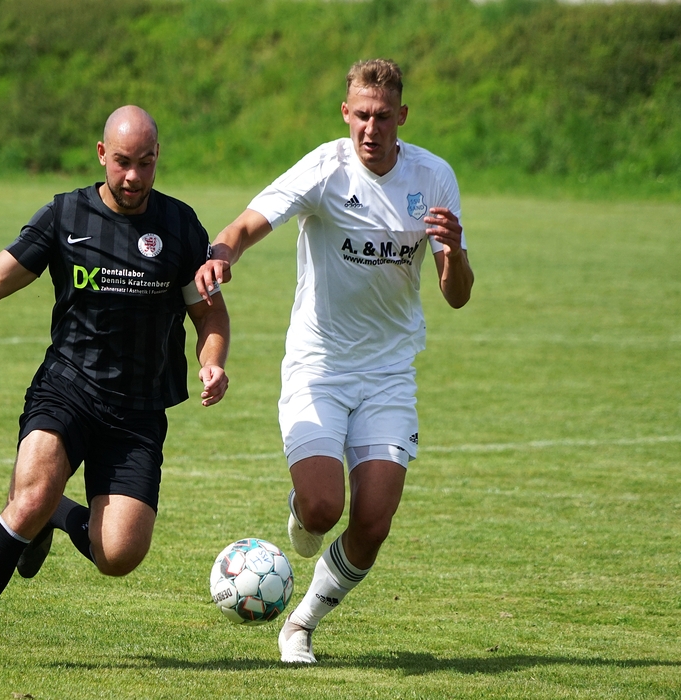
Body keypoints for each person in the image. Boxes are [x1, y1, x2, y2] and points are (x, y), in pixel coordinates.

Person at [0, 105, 230, 669]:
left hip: (138, 410)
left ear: (157, 158)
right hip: (67, 387)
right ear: (101, 154)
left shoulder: (180, 226)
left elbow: (209, 315)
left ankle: (59, 514)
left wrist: (212, 362)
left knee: (117, 555)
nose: (133, 177)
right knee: (27, 500)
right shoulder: (66, 214)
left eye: (145, 163)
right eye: (122, 162)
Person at [195, 59, 473, 664]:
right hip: (318, 365)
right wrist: (221, 254)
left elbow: (457, 294)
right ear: (346, 113)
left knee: (373, 521)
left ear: (402, 116)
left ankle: (300, 624)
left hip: (388, 374)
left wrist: (453, 253)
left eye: (383, 116)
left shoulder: (434, 178)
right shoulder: (325, 168)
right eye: (361, 115)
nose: (372, 128)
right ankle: (303, 508)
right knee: (323, 508)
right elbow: (248, 223)